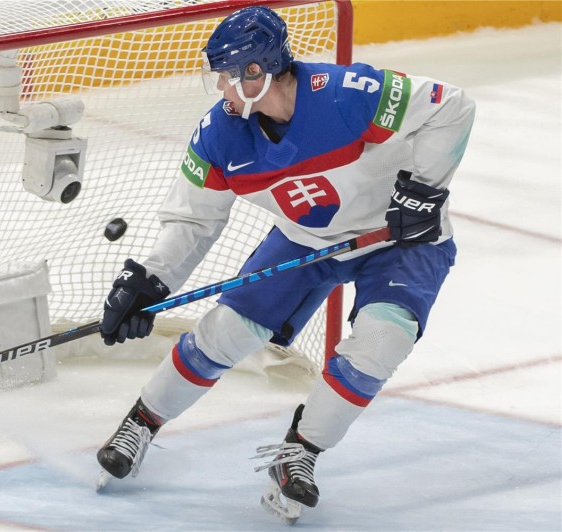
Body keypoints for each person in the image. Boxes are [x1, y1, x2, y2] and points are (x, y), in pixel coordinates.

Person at [95, 4, 475, 517]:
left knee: (384, 338)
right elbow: (193, 220)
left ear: (258, 72)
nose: (221, 90)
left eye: (227, 77)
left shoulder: (347, 93)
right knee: (229, 330)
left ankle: (301, 451)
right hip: (307, 240)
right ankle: (142, 421)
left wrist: (425, 193)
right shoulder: (220, 134)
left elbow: (450, 106)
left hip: (400, 237)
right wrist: (151, 281)